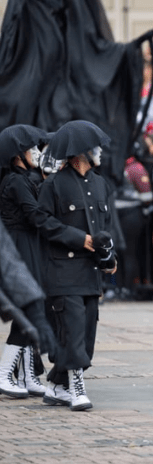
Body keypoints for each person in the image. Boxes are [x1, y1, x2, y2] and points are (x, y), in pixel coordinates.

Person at [37, 121, 116, 411]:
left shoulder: (100, 183)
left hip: (90, 272)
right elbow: (42, 222)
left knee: (86, 333)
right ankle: (76, 388)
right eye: (95, 147)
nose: (99, 152)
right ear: (80, 151)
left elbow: (105, 227)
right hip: (63, 270)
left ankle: (57, 385)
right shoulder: (53, 184)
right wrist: (77, 238)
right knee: (71, 329)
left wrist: (110, 258)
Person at [0, 125, 57, 399]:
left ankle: (26, 375)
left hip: (27, 245)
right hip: (21, 247)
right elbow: (35, 215)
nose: (36, 152)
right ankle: (4, 374)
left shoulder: (23, 179)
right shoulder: (16, 182)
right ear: (17, 155)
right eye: (30, 148)